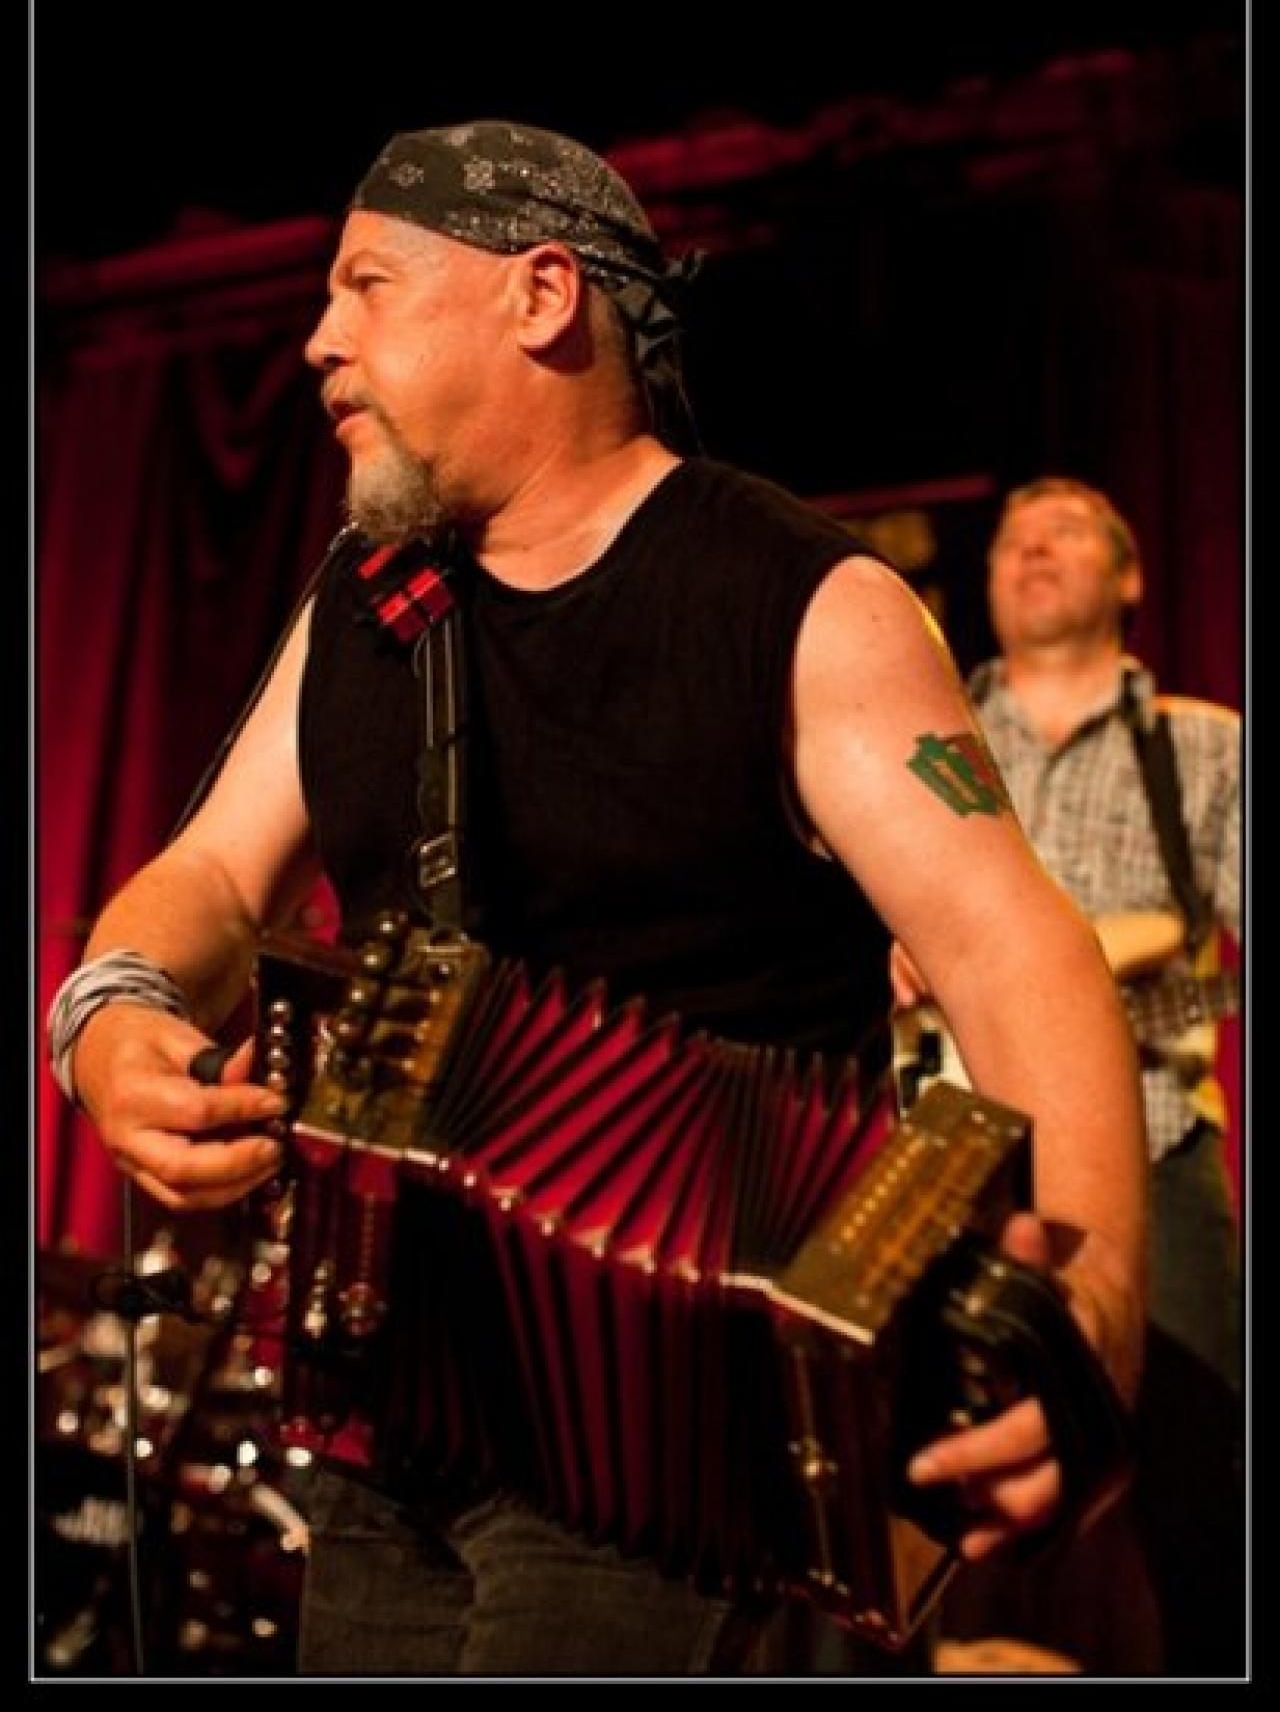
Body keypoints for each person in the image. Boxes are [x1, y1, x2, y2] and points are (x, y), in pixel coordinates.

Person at [46, 123, 1147, 1679]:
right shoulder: (363, 601)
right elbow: (215, 872)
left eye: (366, 285)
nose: (318, 341)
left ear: (542, 294)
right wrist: (106, 1018)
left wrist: (1089, 1318)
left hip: (680, 1458)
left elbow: (1015, 947)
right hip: (385, 1413)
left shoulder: (799, 599)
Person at [895, 476, 1242, 1675]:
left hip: (1151, 1138)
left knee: (1205, 1490)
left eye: (1064, 531)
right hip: (934, 1149)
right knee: (891, 1487)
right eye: (1010, 537)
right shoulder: (922, 739)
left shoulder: (1205, 747)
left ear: (1128, 579)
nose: (1030, 549)